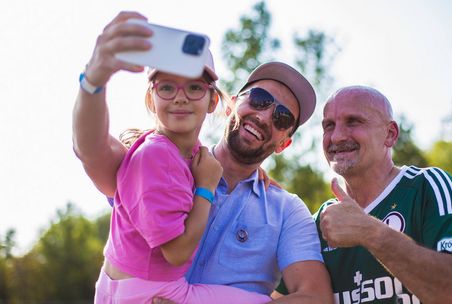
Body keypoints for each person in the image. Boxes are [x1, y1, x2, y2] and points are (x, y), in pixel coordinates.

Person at [72, 11, 332, 304]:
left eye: (282, 117)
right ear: (230, 103)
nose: (263, 116)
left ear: (284, 143)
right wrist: (93, 80)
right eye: (259, 99)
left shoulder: (287, 211)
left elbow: (315, 298)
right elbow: (91, 148)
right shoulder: (159, 160)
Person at [275, 85, 452, 303]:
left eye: (353, 121)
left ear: (390, 134)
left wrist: (370, 232)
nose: (336, 137)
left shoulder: (427, 187)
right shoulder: (317, 222)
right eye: (329, 126)